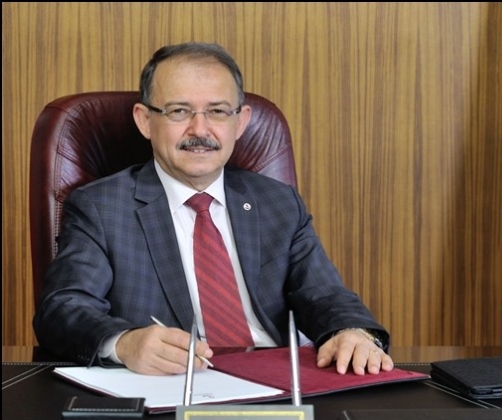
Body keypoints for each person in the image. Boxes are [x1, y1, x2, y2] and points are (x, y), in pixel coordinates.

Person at [33, 42, 394, 376]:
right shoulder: (101, 207)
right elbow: (64, 308)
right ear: (145, 120)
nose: (200, 129)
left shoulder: (279, 203)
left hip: (277, 383)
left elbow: (325, 294)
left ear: (241, 121)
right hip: (171, 382)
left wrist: (352, 331)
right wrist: (124, 343)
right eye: (179, 111)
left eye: (218, 111)